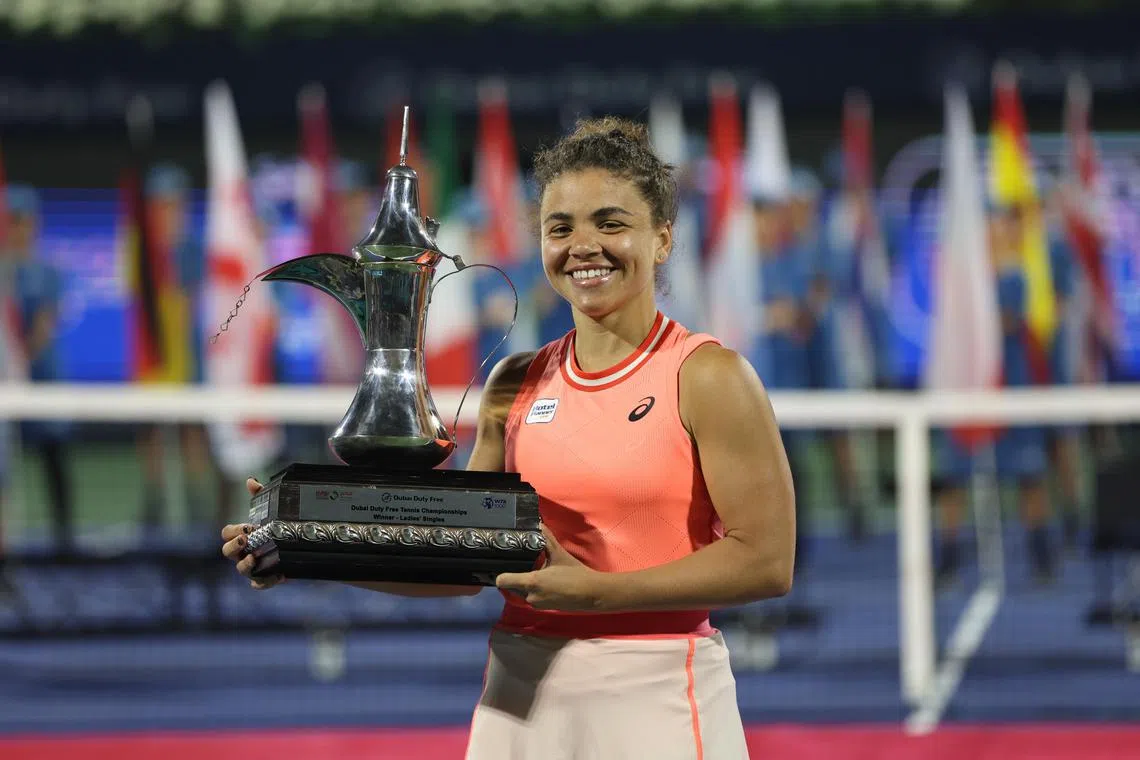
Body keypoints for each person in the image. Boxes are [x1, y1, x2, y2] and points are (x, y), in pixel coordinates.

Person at [221, 117, 796, 759]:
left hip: (658, 687)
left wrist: (601, 593)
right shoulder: (514, 381)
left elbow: (766, 561)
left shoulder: (709, 375)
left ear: (662, 239)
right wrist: (308, 549)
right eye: (561, 227)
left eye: (611, 223)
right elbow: (467, 561)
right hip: (521, 696)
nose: (583, 245)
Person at [4, 185, 75, 556]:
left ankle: (64, 539)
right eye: (10, 221)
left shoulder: (46, 272)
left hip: (43, 379)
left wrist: (19, 357)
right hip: (6, 383)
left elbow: (45, 326)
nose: (16, 228)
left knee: (53, 455)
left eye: (22, 221)